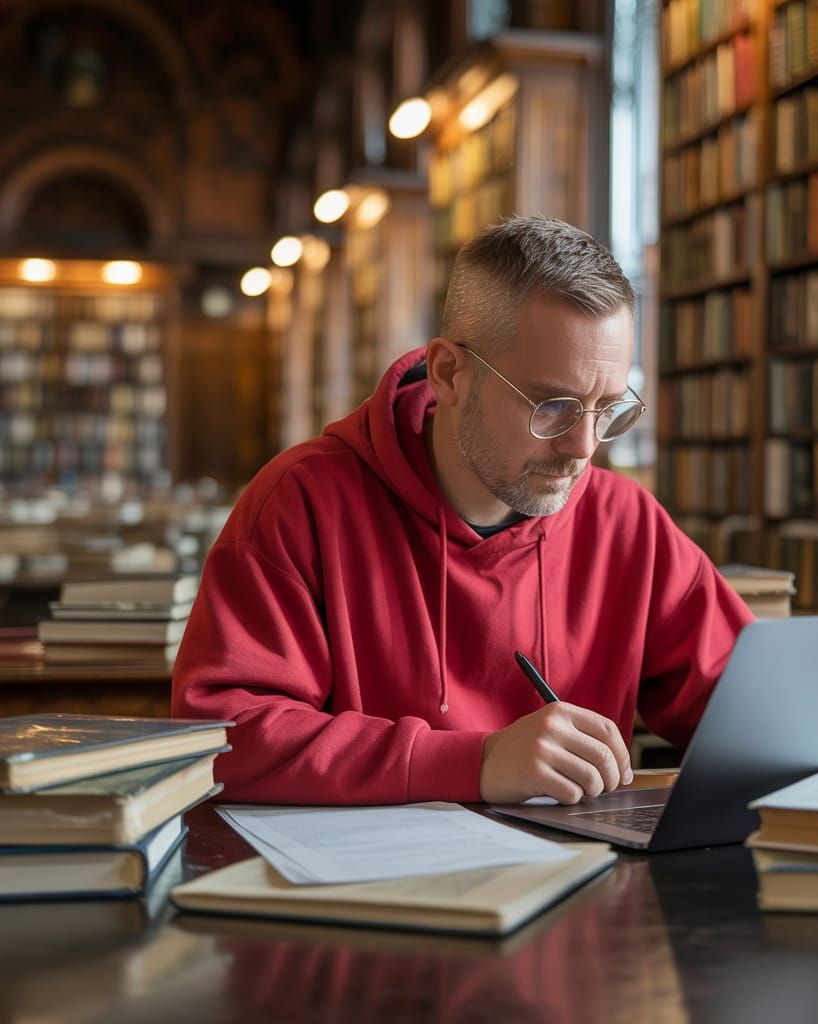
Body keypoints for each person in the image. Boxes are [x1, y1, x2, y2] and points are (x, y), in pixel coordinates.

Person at [171, 215, 753, 806]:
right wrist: (473, 762)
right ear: (450, 372)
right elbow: (223, 737)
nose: (584, 448)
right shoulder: (301, 501)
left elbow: (751, 711)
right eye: (553, 406)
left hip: (583, 879)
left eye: (608, 408)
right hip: (370, 885)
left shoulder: (624, 521)